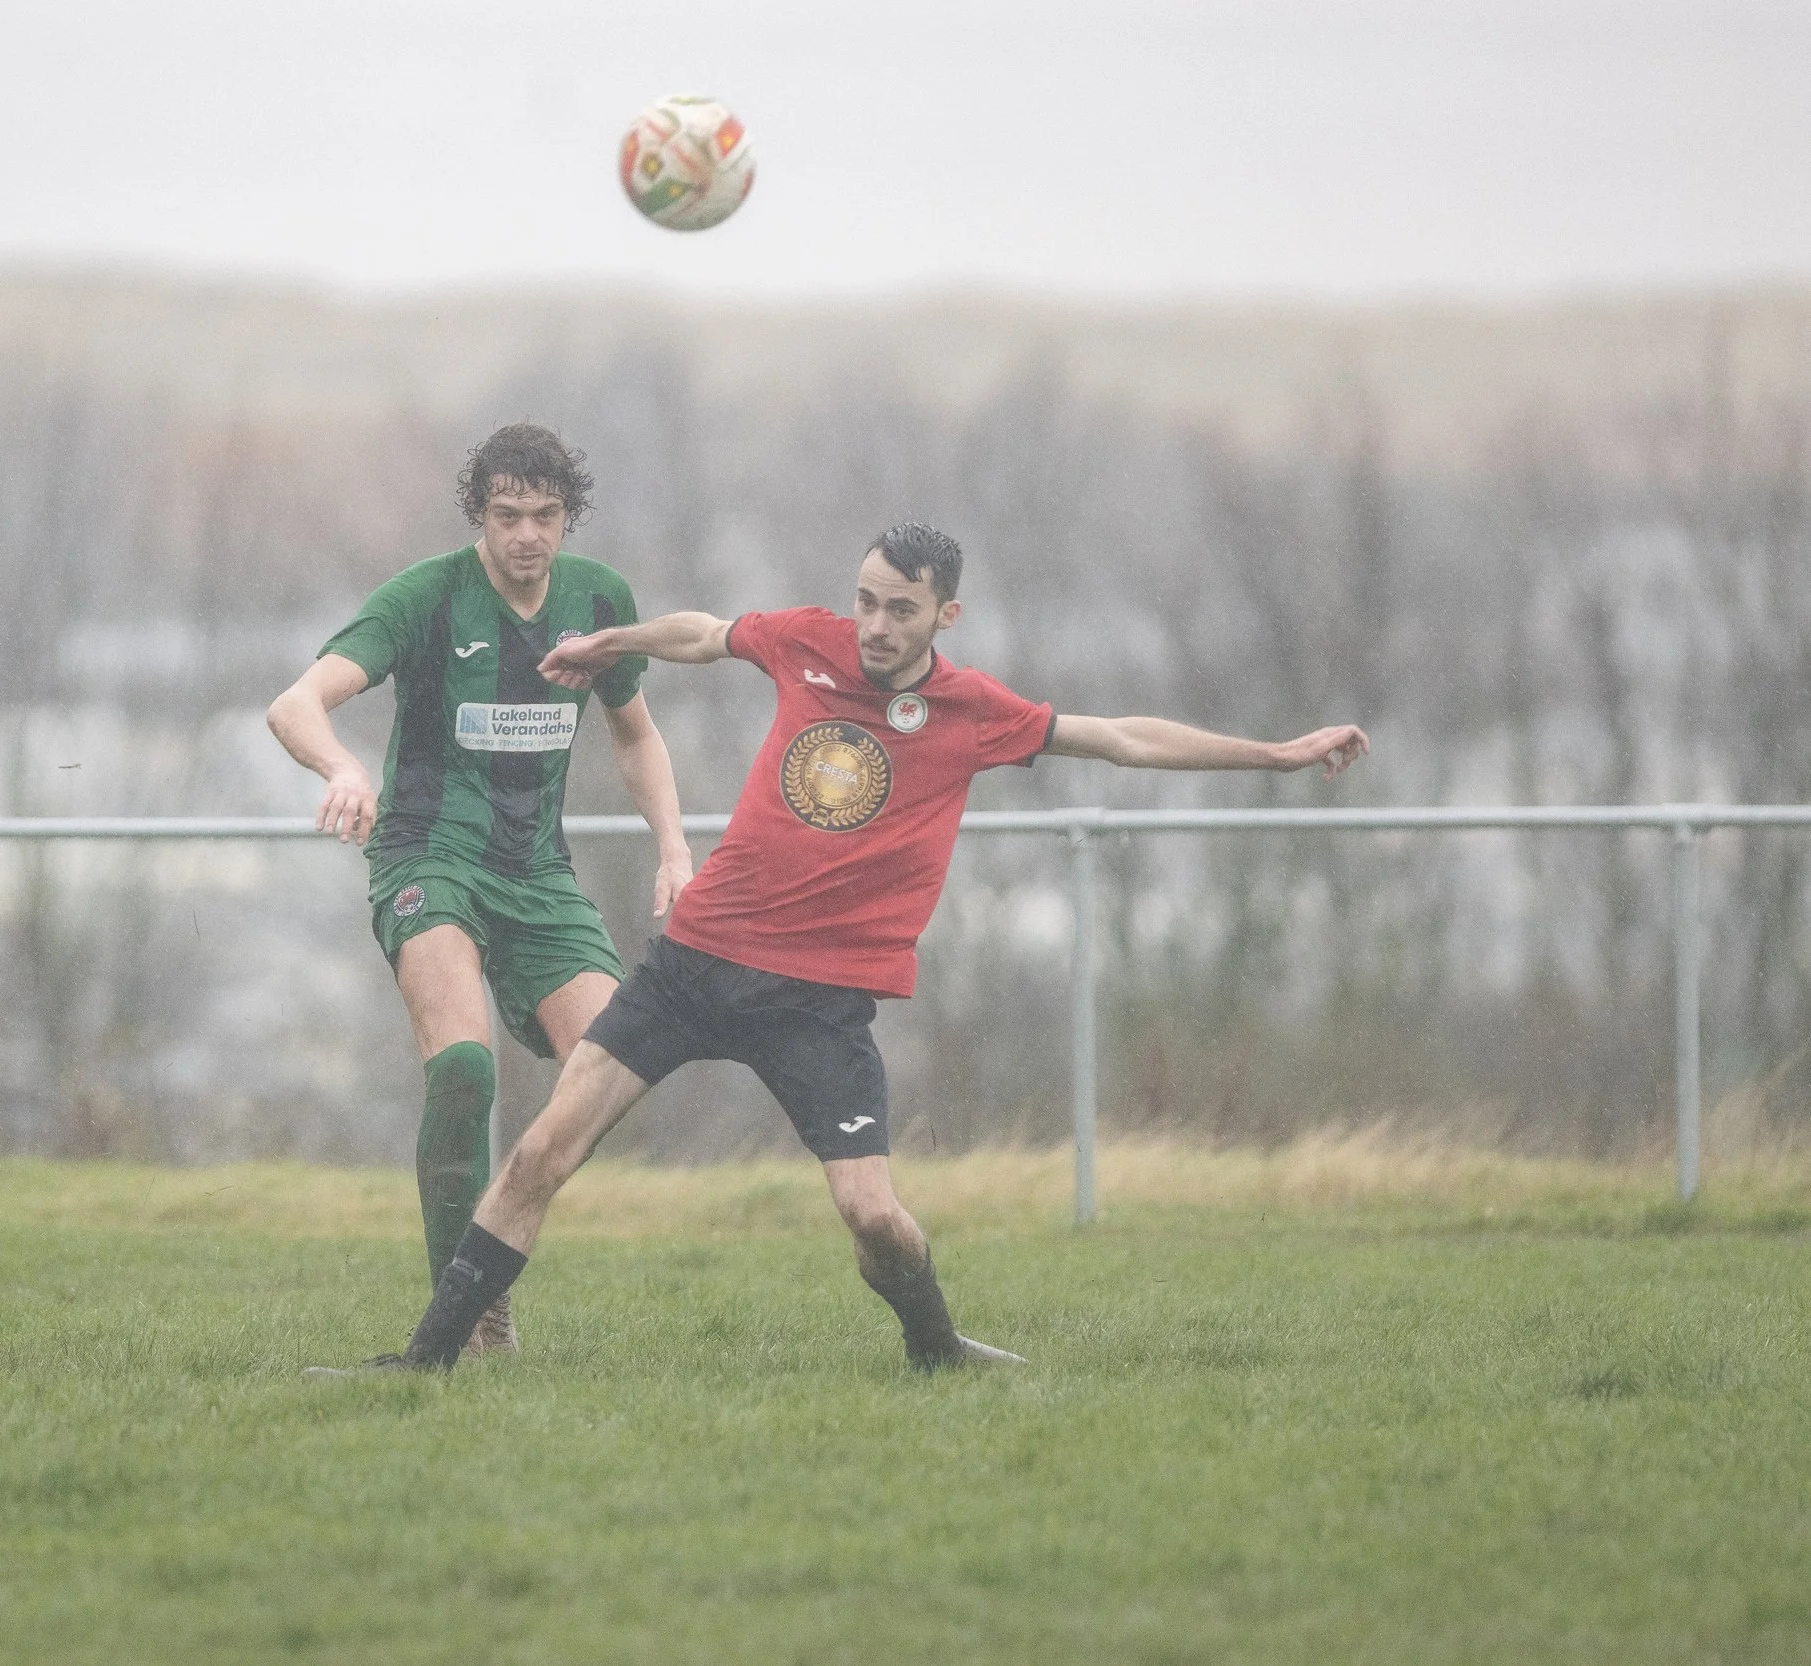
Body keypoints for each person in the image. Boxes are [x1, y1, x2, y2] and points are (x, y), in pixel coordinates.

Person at [313, 521, 1368, 1375]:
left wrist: (1277, 754)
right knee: (542, 1150)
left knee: (875, 1216)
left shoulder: (971, 711)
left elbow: (1125, 735)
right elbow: (706, 631)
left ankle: (934, 1347)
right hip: (694, 964)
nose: (871, 623)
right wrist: (615, 644)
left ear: (943, 615)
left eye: (898, 608)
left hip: (819, 1002)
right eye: (864, 599)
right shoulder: (809, 641)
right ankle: (425, 1363)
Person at [267, 423, 693, 1355]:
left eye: (546, 516)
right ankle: (463, 1319)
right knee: (463, 1071)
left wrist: (673, 848)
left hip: (537, 873)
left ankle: (488, 1254)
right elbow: (293, 703)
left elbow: (635, 733)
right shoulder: (426, 598)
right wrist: (342, 770)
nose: (528, 534)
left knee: (610, 1071)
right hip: (428, 858)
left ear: (569, 518)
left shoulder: (598, 600)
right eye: (508, 516)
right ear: (479, 516)